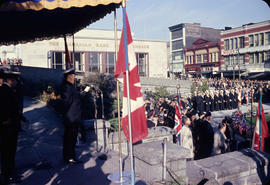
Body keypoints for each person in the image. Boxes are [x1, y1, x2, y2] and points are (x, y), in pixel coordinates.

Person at [0, 70, 22, 184]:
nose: (17, 82)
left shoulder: (9, 90)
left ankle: (11, 170)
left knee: (11, 150)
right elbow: (3, 108)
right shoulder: (4, 90)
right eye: (15, 80)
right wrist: (4, 120)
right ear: (10, 80)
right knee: (7, 152)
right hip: (7, 127)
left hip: (12, 126)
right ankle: (6, 175)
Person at [60, 68, 82, 164]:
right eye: (73, 75)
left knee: (71, 138)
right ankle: (69, 157)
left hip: (73, 117)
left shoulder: (70, 86)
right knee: (70, 139)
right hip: (71, 118)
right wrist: (67, 115)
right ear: (68, 76)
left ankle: (69, 156)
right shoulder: (66, 87)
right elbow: (66, 102)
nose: (75, 77)